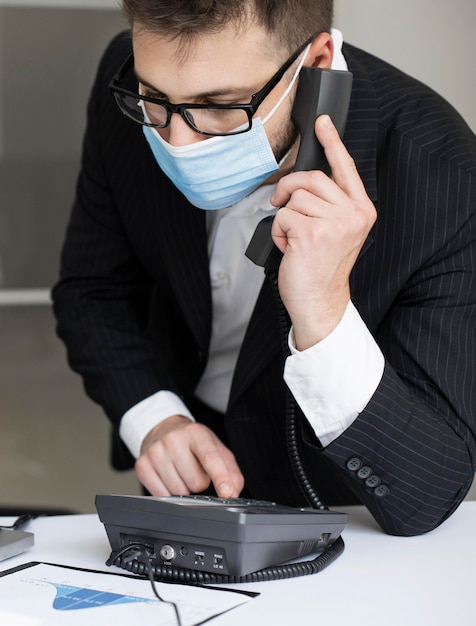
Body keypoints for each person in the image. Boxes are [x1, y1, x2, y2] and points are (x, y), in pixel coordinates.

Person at [52, 0, 476, 537]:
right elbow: (92, 290)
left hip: (349, 512)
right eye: (157, 101)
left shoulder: (447, 179)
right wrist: (156, 419)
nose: (176, 144)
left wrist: (323, 314)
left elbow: (429, 490)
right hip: (184, 478)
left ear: (317, 61)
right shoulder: (136, 78)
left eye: (221, 106)